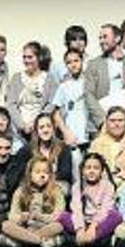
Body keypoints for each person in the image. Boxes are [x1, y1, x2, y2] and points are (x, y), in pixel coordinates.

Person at [84, 24, 125, 135]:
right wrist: (104, 122)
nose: (101, 41)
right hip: (100, 128)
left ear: (117, 38)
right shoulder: (93, 64)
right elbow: (89, 95)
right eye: (100, 38)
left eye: (105, 37)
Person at [0, 156, 65, 247]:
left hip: (44, 227)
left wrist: (41, 217)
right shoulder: (21, 190)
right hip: (24, 228)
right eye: (38, 172)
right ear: (30, 174)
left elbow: (59, 215)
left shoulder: (56, 191)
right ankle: (39, 241)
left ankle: (23, 241)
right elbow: (12, 215)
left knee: (59, 226)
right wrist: (21, 217)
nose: (42, 176)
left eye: (46, 172)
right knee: (5, 225)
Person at [59, 152, 122, 247]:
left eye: (96, 168)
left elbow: (105, 209)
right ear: (83, 170)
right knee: (63, 216)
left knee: (116, 216)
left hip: (99, 223)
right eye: (88, 168)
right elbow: (76, 209)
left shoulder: (108, 186)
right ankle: (97, 241)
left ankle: (81, 240)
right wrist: (80, 229)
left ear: (102, 171)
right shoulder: (77, 186)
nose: (92, 171)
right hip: (82, 221)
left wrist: (93, 226)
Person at [49, 49, 88, 183]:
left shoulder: (90, 83)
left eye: (76, 61)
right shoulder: (64, 87)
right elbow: (56, 113)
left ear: (82, 61)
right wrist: (66, 132)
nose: (73, 65)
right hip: (73, 137)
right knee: (76, 175)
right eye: (69, 62)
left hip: (90, 134)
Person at [7, 40, 57, 137]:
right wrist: (22, 125)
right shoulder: (16, 78)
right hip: (19, 130)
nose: (26, 60)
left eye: (30, 57)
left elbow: (52, 103)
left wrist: (37, 123)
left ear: (39, 58)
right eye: (24, 57)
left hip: (41, 129)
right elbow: (10, 104)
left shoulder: (49, 79)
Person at [89, 106, 125, 187]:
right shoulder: (97, 143)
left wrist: (123, 176)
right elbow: (92, 168)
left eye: (120, 120)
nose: (117, 124)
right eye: (112, 121)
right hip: (102, 184)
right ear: (106, 122)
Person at [0, 131, 31, 220]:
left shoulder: (19, 166)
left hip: (13, 212)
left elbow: (23, 192)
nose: (3, 153)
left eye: (7, 148)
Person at [31, 113, 73, 194]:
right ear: (37, 131)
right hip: (35, 183)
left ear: (53, 129)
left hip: (56, 183)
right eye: (41, 127)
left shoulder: (63, 148)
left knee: (64, 188)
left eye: (48, 126)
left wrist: (47, 179)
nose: (45, 130)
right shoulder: (28, 149)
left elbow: (65, 173)